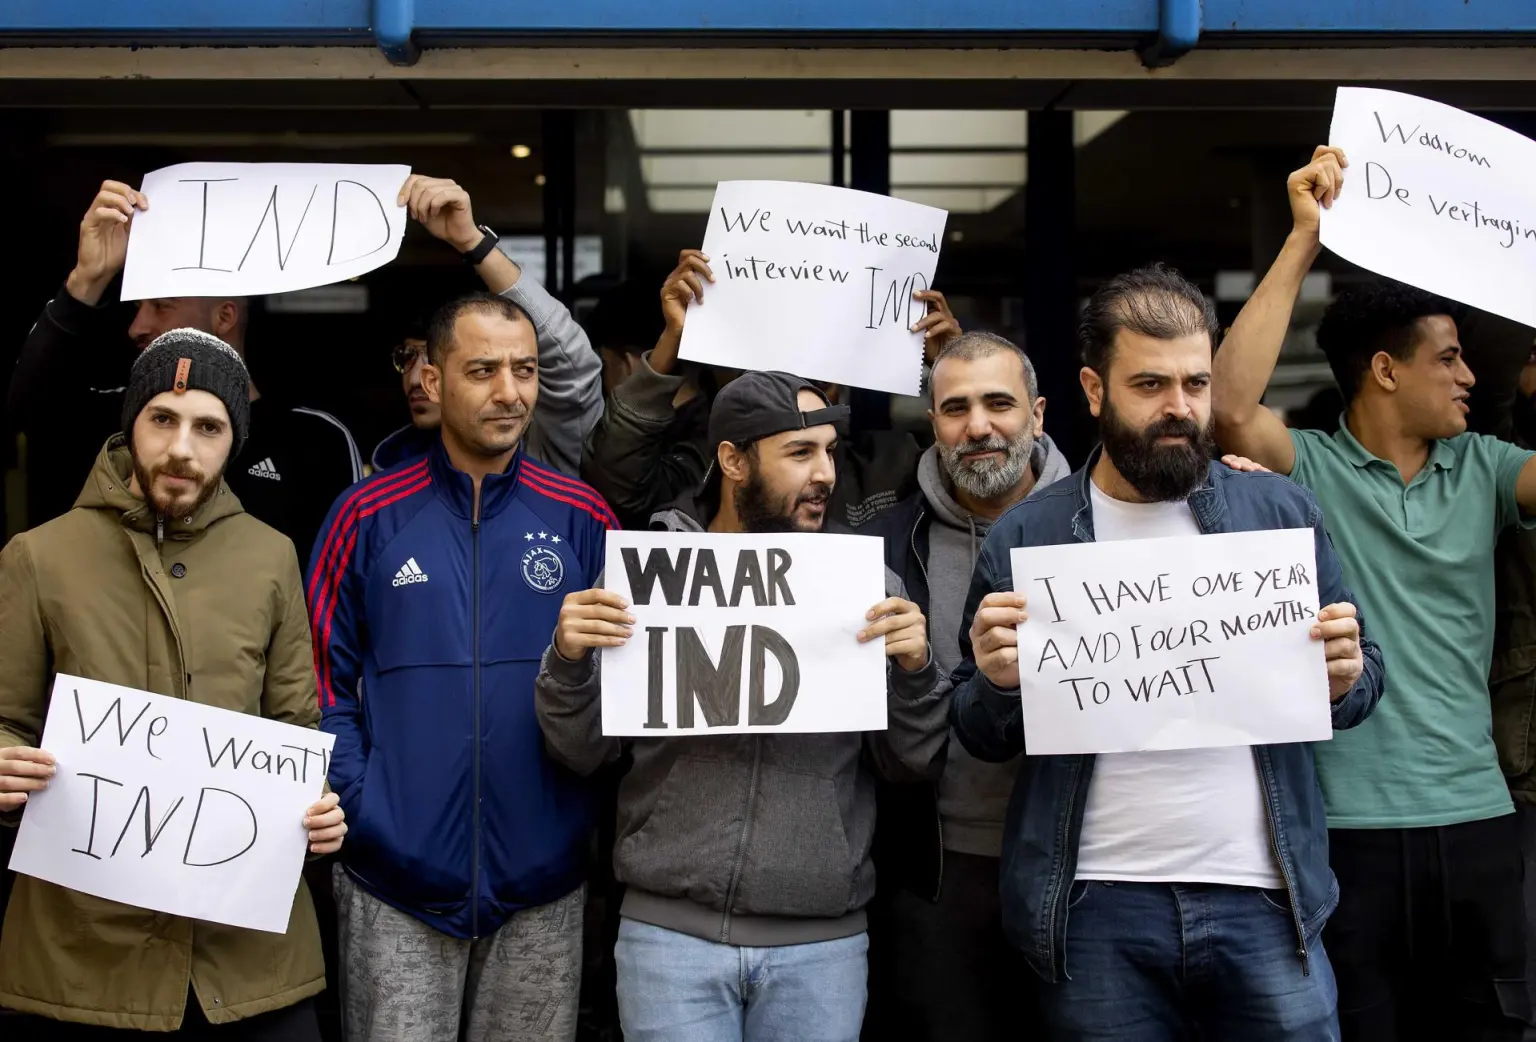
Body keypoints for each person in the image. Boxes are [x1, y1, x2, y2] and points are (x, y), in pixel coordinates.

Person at [951, 264, 1385, 1040]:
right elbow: (980, 732)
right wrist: (994, 680)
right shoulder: (1030, 534)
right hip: (1094, 906)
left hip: (1266, 898)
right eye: (1150, 385)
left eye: (1195, 382)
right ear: (1094, 390)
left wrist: (1346, 674)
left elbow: (1358, 684)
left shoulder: (1277, 512)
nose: (1180, 408)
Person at [1211, 146, 1536, 1040]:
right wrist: (1301, 241)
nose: (1471, 377)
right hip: (1342, 827)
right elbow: (1229, 410)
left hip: (1479, 815)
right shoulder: (1308, 465)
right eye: (1451, 359)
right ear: (1386, 371)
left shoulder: (1488, 468)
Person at [535, 371, 953, 1042]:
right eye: (799, 454)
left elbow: (912, 762)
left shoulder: (866, 588)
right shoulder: (652, 575)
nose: (823, 474)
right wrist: (569, 660)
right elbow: (581, 749)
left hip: (821, 946)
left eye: (828, 452)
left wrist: (914, 673)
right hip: (669, 938)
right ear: (732, 460)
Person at [0, 328, 346, 1037]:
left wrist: (318, 805)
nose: (182, 448)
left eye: (209, 427)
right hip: (84, 961)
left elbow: (294, 728)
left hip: (251, 964)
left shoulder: (272, 557)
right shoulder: (38, 557)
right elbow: (5, 716)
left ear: (235, 440)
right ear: (131, 422)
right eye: (163, 418)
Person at [308, 290, 618, 1042]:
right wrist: (363, 809)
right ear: (433, 378)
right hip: (394, 881)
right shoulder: (365, 515)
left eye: (525, 370)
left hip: (541, 885)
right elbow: (314, 677)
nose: (509, 392)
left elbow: (623, 693)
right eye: (482, 370)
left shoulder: (583, 517)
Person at [856, 331, 1067, 1041]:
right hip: (936, 870)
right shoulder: (882, 544)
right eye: (956, 408)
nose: (978, 426)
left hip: (1082, 866)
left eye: (999, 403)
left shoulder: (1107, 524)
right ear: (933, 425)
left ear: (1038, 414)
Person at [7, 180, 363, 563]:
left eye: (162, 305)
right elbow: (25, 410)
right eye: (163, 422)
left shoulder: (315, 440)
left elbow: (344, 592)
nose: (136, 327)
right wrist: (87, 279)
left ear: (225, 316)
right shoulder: (120, 421)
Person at [580, 250, 962, 530]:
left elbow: (985, 481)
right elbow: (617, 484)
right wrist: (671, 342)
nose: (811, 371)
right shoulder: (713, 466)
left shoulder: (892, 464)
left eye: (829, 353)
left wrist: (957, 369)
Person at [370, 176, 603, 478]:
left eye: (481, 368)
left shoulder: (543, 462)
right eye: (407, 356)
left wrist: (471, 242)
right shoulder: (379, 492)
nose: (416, 379)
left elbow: (570, 361)